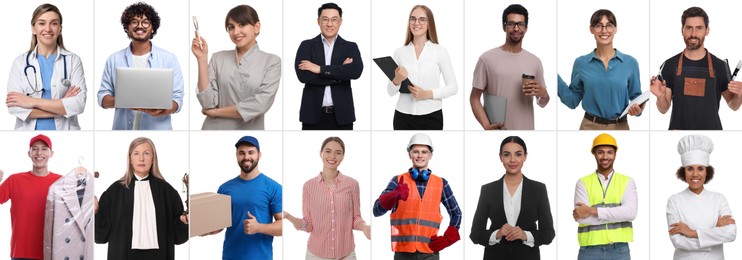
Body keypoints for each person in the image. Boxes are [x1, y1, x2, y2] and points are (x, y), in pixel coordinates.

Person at [94, 137, 189, 260]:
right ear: (130, 159)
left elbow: (178, 237)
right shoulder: (114, 191)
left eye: (146, 153)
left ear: (153, 158)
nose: (141, 158)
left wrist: (184, 222)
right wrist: (95, 212)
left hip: (159, 256)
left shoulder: (167, 192)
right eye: (136, 153)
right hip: (123, 255)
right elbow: (101, 236)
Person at [650, 7, 742, 130]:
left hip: (711, 134)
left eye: (699, 28)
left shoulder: (720, 66)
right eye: (689, 28)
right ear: (682, 30)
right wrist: (660, 97)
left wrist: (740, 95)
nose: (693, 34)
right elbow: (663, 109)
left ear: (707, 30)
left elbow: (733, 105)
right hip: (678, 134)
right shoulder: (669, 65)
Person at [191, 5, 281, 130]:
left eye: (242, 24)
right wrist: (201, 59)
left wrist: (216, 112)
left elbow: (261, 104)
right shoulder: (218, 58)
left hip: (250, 131)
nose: (236, 32)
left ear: (257, 27)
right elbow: (207, 103)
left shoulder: (272, 61)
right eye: (231, 27)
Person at [97, 2, 184, 130]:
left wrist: (161, 110)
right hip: (123, 129)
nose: (139, 26)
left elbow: (177, 100)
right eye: (134, 22)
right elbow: (102, 97)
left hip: (158, 130)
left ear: (152, 28)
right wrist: (126, 101)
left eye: (145, 22)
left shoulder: (169, 59)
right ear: (127, 27)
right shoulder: (113, 59)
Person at [373, 133, 461, 259]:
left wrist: (448, 237)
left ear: (430, 155)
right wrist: (393, 195)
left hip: (430, 253)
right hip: (403, 254)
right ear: (409, 154)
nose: (420, 155)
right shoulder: (398, 181)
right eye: (416, 151)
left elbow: (456, 213)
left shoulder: (441, 183)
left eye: (424, 152)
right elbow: (376, 211)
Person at [284, 137, 371, 259]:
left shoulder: (352, 184)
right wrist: (288, 217)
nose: (333, 156)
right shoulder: (309, 186)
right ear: (321, 153)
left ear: (343, 157)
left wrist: (365, 227)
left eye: (338, 152)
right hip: (316, 254)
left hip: (346, 254)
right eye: (328, 151)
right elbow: (308, 225)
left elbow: (355, 218)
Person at [557, 9, 644, 130]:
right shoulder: (581, 63)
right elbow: (572, 101)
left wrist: (638, 110)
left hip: (621, 127)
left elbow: (637, 99)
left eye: (609, 25)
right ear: (591, 29)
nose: (604, 30)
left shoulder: (630, 63)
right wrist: (554, 79)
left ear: (615, 29)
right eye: (598, 26)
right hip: (589, 126)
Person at [470, 136, 554, 259]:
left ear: (525, 156)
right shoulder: (488, 190)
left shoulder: (538, 189)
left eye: (518, 154)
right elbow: (475, 234)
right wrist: (497, 234)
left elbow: (548, 233)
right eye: (507, 155)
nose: (512, 160)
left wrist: (525, 235)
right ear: (501, 157)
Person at [6, 4, 86, 130]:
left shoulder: (73, 61)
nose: (48, 29)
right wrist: (62, 106)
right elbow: (14, 106)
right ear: (33, 28)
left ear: (60, 29)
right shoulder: (20, 63)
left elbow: (78, 104)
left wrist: (31, 102)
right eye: (42, 23)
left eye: (54, 23)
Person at [470, 4, 549, 130]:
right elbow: (474, 98)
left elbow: (542, 102)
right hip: (498, 130)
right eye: (511, 24)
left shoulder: (535, 61)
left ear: (526, 28)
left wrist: (544, 94)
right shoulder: (487, 59)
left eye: (520, 24)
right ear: (504, 26)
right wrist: (486, 125)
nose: (516, 28)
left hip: (526, 130)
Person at [203, 136, 283, 260]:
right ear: (236, 156)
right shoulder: (225, 188)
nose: (246, 157)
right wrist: (203, 229)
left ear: (259, 155)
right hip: (230, 256)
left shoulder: (273, 187)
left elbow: (283, 226)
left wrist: (259, 227)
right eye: (242, 153)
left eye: (251, 152)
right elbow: (219, 225)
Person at [387, 5, 457, 130]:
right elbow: (390, 92)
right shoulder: (400, 52)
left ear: (429, 23)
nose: (416, 23)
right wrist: (397, 80)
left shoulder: (440, 51)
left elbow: (453, 87)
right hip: (402, 116)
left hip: (431, 116)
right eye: (413, 19)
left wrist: (427, 94)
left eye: (422, 19)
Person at [666, 135, 736, 259]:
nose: (695, 174)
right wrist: (715, 233)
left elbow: (731, 233)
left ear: (707, 171)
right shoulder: (674, 201)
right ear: (683, 172)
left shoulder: (719, 199)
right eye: (690, 169)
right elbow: (677, 241)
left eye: (700, 169)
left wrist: (691, 233)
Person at [295, 2, 363, 130]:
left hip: (342, 116)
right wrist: (339, 73)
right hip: (312, 115)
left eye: (334, 20)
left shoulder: (350, 47)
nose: (329, 24)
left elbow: (355, 72)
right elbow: (303, 76)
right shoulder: (306, 46)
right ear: (318, 21)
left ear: (340, 21)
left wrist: (319, 69)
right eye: (325, 19)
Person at [573, 133, 637, 260]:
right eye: (600, 152)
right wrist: (618, 215)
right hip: (589, 250)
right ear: (594, 153)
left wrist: (591, 211)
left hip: (619, 250)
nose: (605, 157)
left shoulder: (627, 182)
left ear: (615, 155)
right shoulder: (583, 182)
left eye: (610, 152)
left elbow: (630, 213)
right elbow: (581, 218)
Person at [0, 134, 62, 259]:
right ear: (29, 153)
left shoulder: (61, 182)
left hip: (51, 253)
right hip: (20, 253)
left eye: (44, 148)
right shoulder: (14, 180)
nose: (39, 152)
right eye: (34, 148)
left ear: (51, 153)